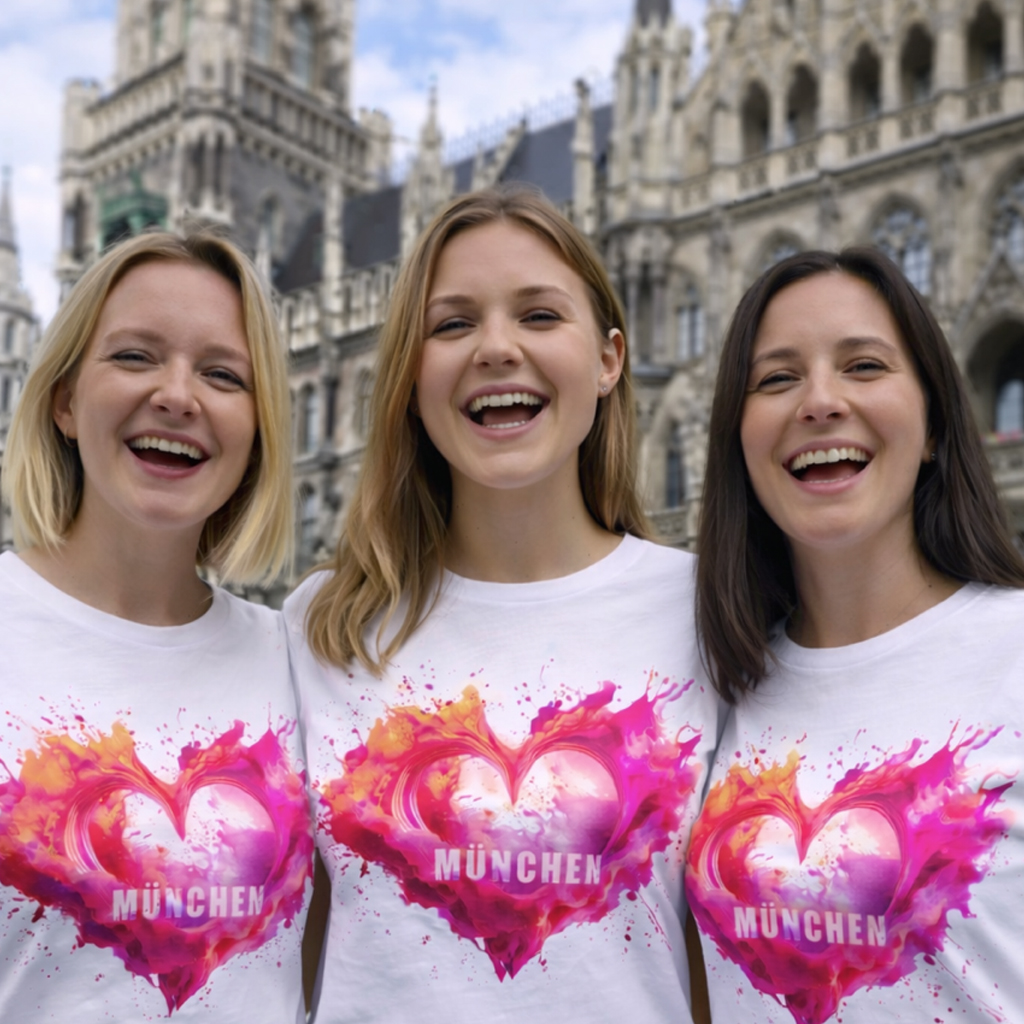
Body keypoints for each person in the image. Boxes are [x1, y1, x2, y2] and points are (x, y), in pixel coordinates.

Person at [285, 186, 719, 1023]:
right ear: (410, 377)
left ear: (609, 358)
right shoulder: (320, 629)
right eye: (451, 325)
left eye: (540, 316)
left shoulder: (710, 617)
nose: (495, 348)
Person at [685, 248, 1024, 1024]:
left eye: (864, 366)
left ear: (937, 420)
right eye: (776, 378)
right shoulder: (711, 689)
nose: (821, 401)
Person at [0, 232, 313, 1022]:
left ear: (258, 429)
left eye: (221, 374)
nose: (179, 395)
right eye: (136, 357)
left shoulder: (302, 663)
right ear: (65, 399)